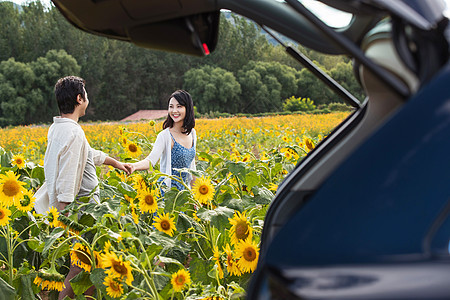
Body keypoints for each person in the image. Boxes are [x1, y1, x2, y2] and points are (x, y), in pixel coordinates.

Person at [44, 76, 129, 300]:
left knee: (89, 270)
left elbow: (88, 155)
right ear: (80, 98)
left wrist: (114, 162)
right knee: (80, 268)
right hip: (80, 216)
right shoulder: (73, 133)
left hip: (79, 214)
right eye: (87, 95)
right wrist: (66, 224)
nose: (88, 99)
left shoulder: (59, 129)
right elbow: (66, 180)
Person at [125, 90, 197, 192]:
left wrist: (196, 195)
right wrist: (134, 166)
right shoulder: (165, 136)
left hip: (185, 193)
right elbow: (150, 161)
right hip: (167, 192)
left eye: (179, 106)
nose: (174, 110)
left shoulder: (192, 134)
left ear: (187, 108)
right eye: (171, 106)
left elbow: (192, 168)